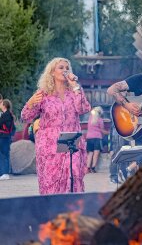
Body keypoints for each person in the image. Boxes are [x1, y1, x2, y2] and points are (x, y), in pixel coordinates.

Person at [21, 58, 91, 194]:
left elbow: (84, 108)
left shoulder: (74, 93)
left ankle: (73, 211)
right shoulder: (43, 94)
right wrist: (30, 103)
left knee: (74, 177)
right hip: (49, 146)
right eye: (61, 67)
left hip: (71, 141)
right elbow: (26, 117)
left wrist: (76, 87)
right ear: (52, 72)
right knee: (51, 183)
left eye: (67, 68)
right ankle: (53, 212)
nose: (65, 70)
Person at [86, 106, 108, 173]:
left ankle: (87, 168)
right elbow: (102, 130)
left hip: (89, 137)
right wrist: (108, 133)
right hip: (97, 138)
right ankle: (93, 168)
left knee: (90, 153)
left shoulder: (90, 118)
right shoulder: (100, 120)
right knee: (96, 154)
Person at [0, 99, 15, 180]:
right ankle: (3, 173)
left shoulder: (6, 114)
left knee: (3, 155)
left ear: (4, 106)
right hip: (5, 137)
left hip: (4, 137)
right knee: (3, 154)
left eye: (1, 104)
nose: (0, 105)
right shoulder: (7, 114)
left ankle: (5, 173)